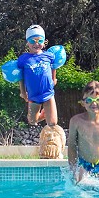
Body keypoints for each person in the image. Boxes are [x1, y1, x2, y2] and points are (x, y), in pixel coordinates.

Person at [17, 25, 66, 159]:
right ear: (27, 42)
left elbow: (54, 66)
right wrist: (22, 92)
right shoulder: (24, 59)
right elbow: (20, 76)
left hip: (48, 94)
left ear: (44, 42)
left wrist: (54, 78)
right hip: (33, 96)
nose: (36, 44)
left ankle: (58, 150)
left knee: (53, 123)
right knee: (33, 121)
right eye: (32, 41)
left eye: (39, 40)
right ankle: (43, 113)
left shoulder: (49, 55)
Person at [67, 81, 99, 182]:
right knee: (80, 191)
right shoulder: (76, 121)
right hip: (83, 166)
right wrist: (74, 171)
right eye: (89, 100)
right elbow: (71, 146)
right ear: (82, 103)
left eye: (98, 100)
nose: (94, 103)